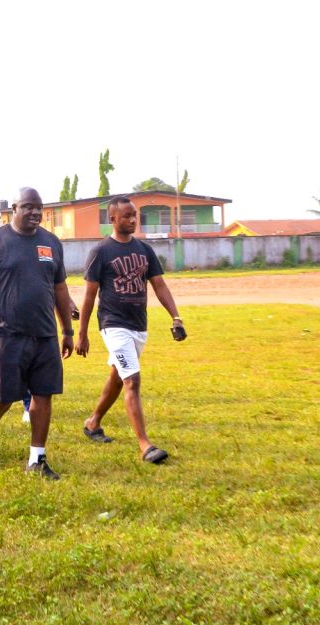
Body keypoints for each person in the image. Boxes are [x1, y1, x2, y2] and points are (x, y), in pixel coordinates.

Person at [0, 188, 74, 479]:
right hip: (6, 333)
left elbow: (60, 288)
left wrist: (67, 329)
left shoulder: (51, 243)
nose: (35, 212)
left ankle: (36, 459)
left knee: (44, 393)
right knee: (4, 396)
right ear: (14, 208)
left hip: (45, 333)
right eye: (28, 207)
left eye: (39, 208)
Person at [76, 196, 185, 464]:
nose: (133, 220)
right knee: (132, 380)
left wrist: (176, 317)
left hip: (138, 325)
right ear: (112, 219)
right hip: (113, 324)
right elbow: (89, 296)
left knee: (117, 376)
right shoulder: (100, 252)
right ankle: (145, 445)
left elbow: (159, 285)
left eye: (134, 215)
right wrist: (82, 332)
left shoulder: (145, 250)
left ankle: (93, 422)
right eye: (126, 216)